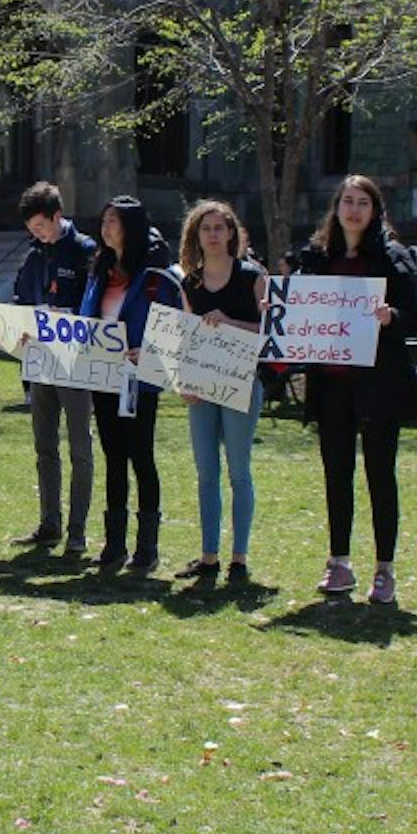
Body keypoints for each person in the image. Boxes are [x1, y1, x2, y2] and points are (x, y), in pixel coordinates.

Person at [293, 175, 417, 604]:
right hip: (332, 386)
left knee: (381, 475)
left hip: (379, 385)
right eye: (347, 201)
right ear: (336, 208)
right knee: (337, 474)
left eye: (362, 202)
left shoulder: (392, 259)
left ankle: (385, 569)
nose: (353, 210)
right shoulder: (316, 258)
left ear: (374, 210)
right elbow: (298, 310)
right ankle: (339, 562)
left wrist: (392, 316)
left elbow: (414, 319)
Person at [0, 181, 97, 552]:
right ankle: (49, 522)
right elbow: (22, 300)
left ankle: (78, 530)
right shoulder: (35, 255)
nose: (37, 235)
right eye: (32, 230)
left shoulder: (85, 251)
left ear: (58, 216)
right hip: (40, 363)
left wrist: (66, 316)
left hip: (77, 363)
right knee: (44, 445)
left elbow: (95, 305)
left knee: (80, 447)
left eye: (41, 227)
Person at [77, 195, 181, 573]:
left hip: (140, 381)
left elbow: (174, 324)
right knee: (114, 459)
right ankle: (115, 544)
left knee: (141, 457)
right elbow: (88, 320)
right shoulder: (99, 271)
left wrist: (149, 354)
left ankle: (147, 548)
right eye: (104, 221)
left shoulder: (155, 274)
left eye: (114, 221)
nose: (106, 228)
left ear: (131, 227)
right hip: (104, 378)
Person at [173, 200, 266, 583]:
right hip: (202, 386)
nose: (212, 235)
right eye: (205, 229)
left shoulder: (251, 277)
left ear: (231, 233)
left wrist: (228, 323)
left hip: (242, 383)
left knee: (238, 471)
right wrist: (184, 381)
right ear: (196, 235)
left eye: (218, 228)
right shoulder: (189, 283)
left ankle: (239, 558)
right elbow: (184, 337)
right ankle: (208, 555)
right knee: (205, 472)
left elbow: (268, 334)